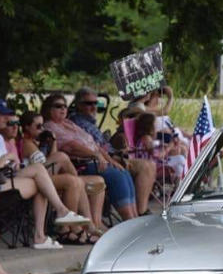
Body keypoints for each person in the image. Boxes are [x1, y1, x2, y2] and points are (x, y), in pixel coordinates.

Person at [0, 102, 89, 249]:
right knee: (40, 178)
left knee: (40, 178)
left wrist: (10, 163)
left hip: (0, 179)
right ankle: (45, 230)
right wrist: (7, 157)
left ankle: (54, 221)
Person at [41, 93, 139, 220]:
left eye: (65, 106)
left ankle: (135, 217)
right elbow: (71, 147)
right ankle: (129, 218)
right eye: (58, 106)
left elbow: (94, 144)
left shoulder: (68, 123)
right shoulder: (50, 127)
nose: (63, 109)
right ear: (48, 109)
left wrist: (110, 160)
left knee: (123, 171)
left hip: (95, 160)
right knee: (116, 176)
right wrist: (96, 155)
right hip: (80, 165)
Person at [20, 111, 104, 243]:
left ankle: (86, 224)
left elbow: (51, 160)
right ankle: (73, 228)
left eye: (43, 126)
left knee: (77, 180)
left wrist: (53, 143)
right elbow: (42, 165)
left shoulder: (36, 142)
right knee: (65, 164)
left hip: (45, 176)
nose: (42, 130)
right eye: (38, 126)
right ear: (27, 127)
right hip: (35, 180)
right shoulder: (26, 143)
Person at [69, 87, 156, 215]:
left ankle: (139, 212)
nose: (94, 107)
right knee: (141, 167)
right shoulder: (77, 122)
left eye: (96, 103)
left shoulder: (89, 122)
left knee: (148, 165)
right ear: (79, 105)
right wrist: (112, 156)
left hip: (111, 155)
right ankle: (138, 213)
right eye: (89, 103)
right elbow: (90, 147)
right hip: (98, 159)